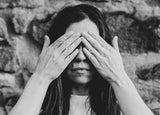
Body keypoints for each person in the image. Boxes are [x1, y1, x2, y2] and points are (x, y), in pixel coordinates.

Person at [8, 4, 154, 115]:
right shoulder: (36, 105)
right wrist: (41, 77)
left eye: (90, 45)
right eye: (71, 46)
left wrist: (118, 77)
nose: (80, 57)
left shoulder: (123, 107)